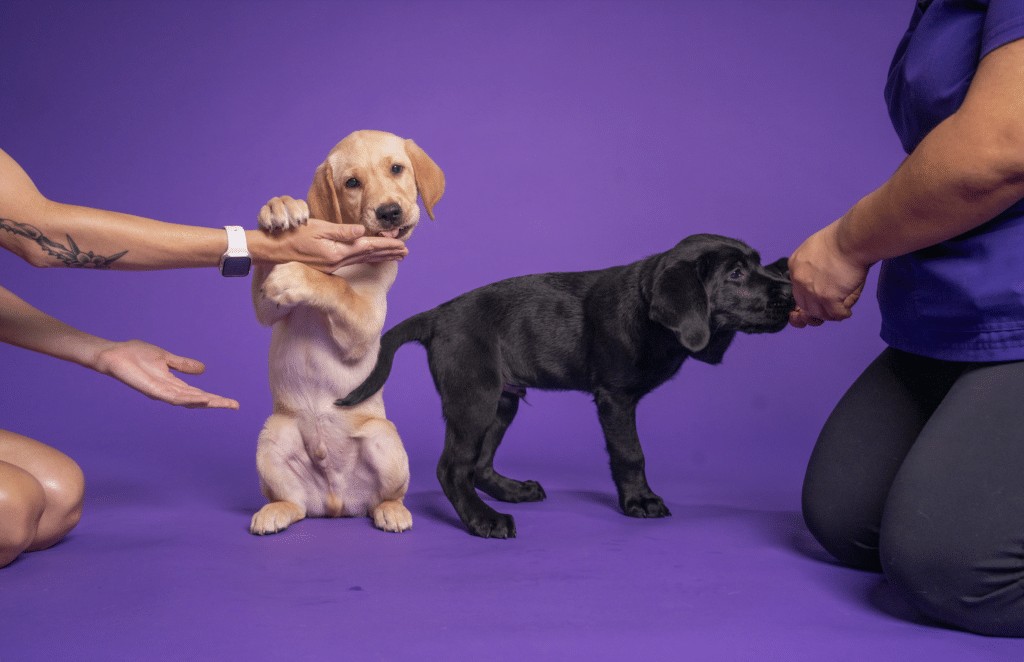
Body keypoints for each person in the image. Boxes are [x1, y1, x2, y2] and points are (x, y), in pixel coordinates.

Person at [0, 147, 410, 568]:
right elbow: (41, 237)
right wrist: (258, 246)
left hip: (353, 432)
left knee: (58, 498)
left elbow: (357, 335)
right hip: (298, 424)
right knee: (13, 513)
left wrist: (102, 351)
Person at [789, 0, 1024, 636]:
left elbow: (1004, 147)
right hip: (963, 300)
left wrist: (845, 245)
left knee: (961, 570)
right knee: (848, 519)